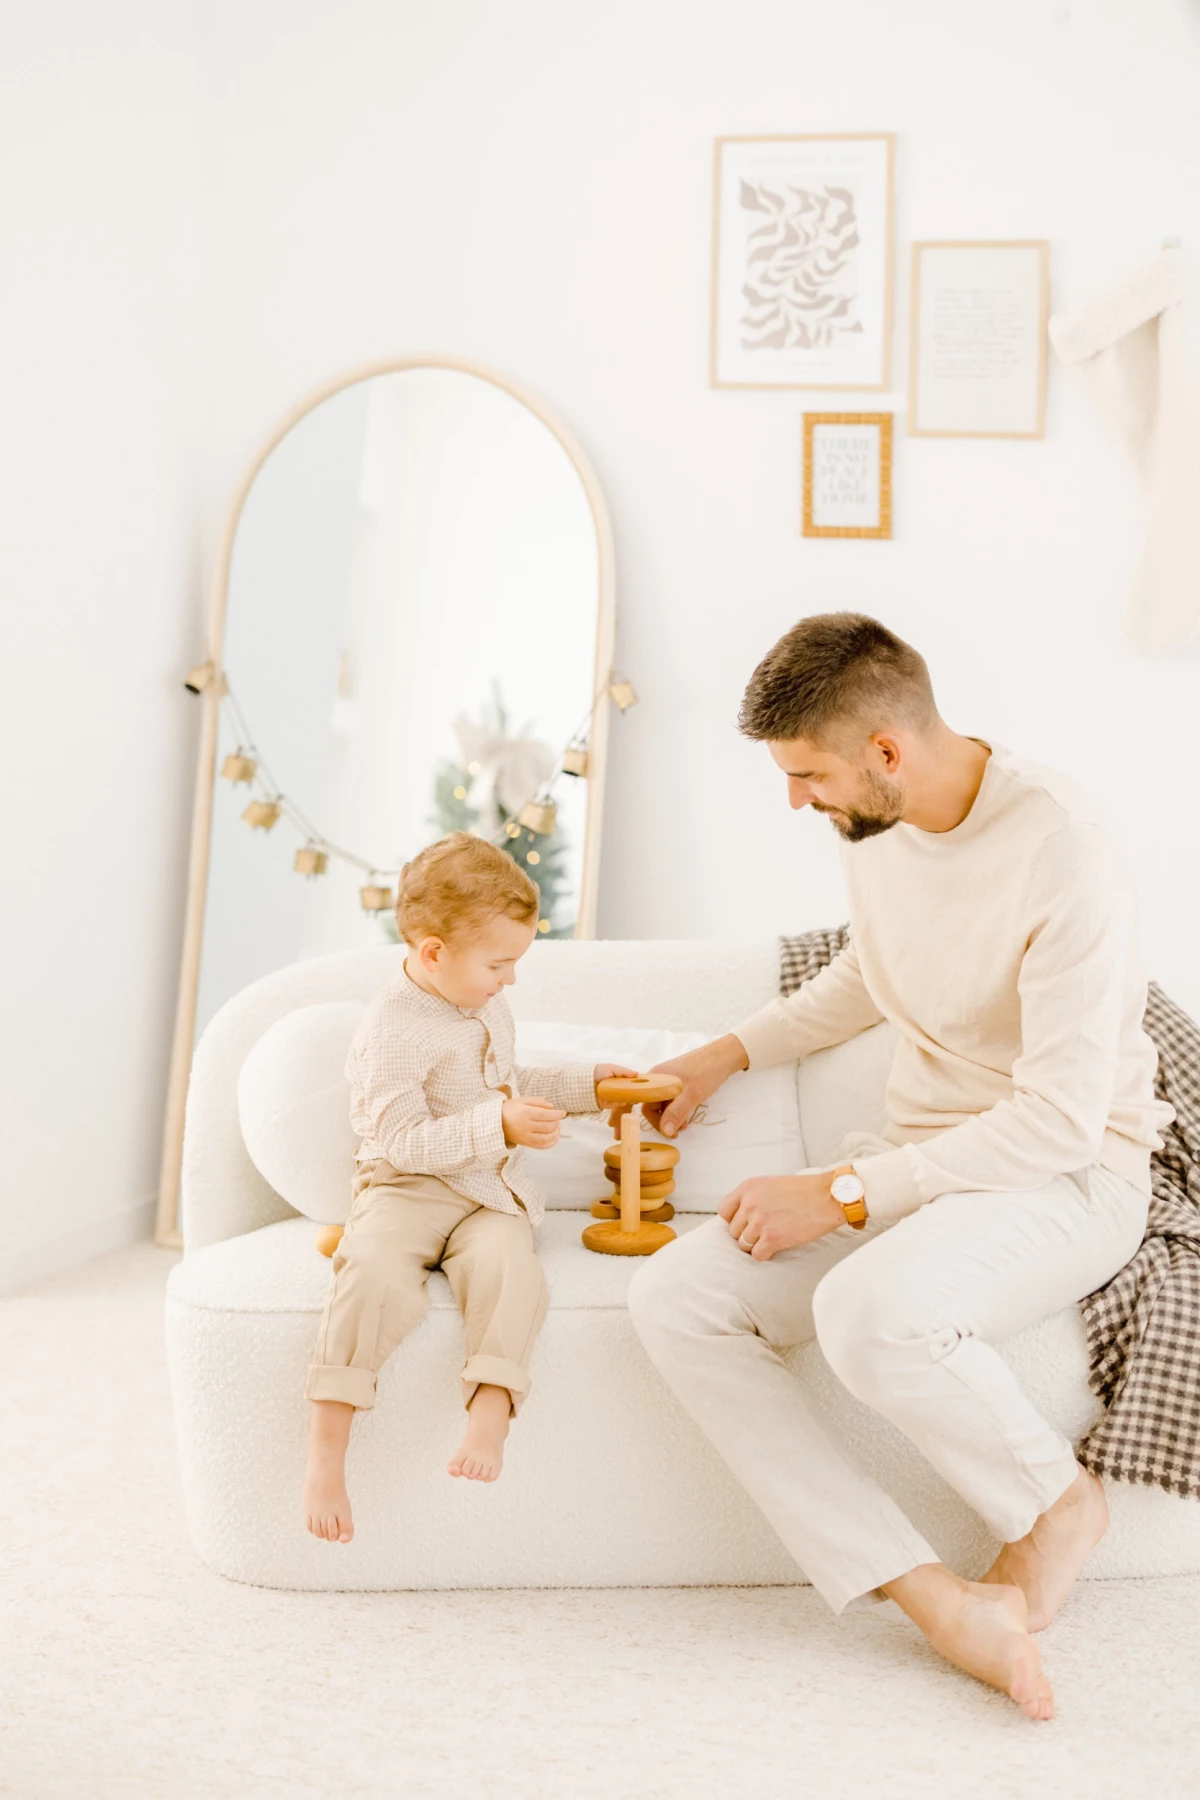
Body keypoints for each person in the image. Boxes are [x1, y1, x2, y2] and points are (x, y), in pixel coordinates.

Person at [626, 612, 1172, 1722]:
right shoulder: (873, 825)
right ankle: (937, 1600)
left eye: (806, 774)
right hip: (927, 1162)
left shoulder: (1063, 853)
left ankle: (1058, 1505)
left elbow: (1059, 1123)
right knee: (675, 1296)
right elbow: (877, 974)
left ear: (887, 752)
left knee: (871, 1311)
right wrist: (727, 1051)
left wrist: (836, 1191)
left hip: (1072, 1175)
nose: (797, 801)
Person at [302, 831, 633, 1544]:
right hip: (407, 1186)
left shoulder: (482, 1004)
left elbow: (512, 1088)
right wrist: (501, 1127)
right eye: (500, 963)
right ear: (432, 954)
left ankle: (490, 1408)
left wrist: (587, 1086)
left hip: (487, 1191)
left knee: (512, 1268)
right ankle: (328, 1455)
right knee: (371, 1277)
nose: (509, 979)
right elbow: (405, 1144)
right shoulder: (392, 1030)